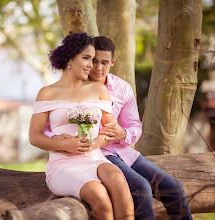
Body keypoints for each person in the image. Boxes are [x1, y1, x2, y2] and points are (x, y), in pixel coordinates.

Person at [45, 36, 192, 220]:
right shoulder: (75, 87)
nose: (98, 68)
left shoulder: (122, 88)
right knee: (141, 188)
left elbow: (135, 126)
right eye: (94, 61)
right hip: (96, 155)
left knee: (174, 189)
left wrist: (124, 133)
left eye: (104, 62)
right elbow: (50, 123)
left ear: (112, 62)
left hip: (124, 152)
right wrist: (58, 140)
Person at [29, 33, 134, 220]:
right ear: (69, 57)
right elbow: (34, 136)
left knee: (118, 179)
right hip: (63, 164)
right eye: (86, 58)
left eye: (92, 60)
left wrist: (93, 144)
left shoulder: (99, 89)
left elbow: (110, 128)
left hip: (95, 157)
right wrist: (63, 145)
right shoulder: (47, 93)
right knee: (99, 195)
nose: (91, 65)